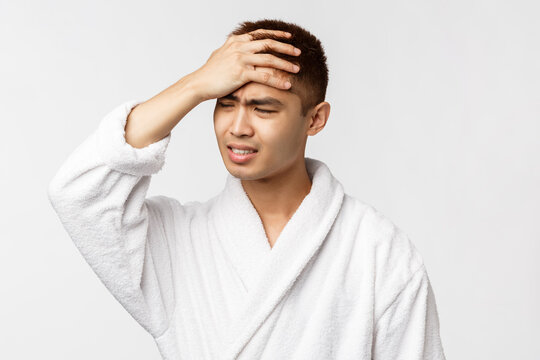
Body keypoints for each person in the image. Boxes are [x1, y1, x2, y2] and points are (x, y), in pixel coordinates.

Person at [48, 18, 447, 360]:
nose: (237, 127)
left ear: (315, 119)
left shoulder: (378, 251)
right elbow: (80, 193)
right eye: (224, 103)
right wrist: (194, 85)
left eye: (263, 108)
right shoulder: (176, 242)